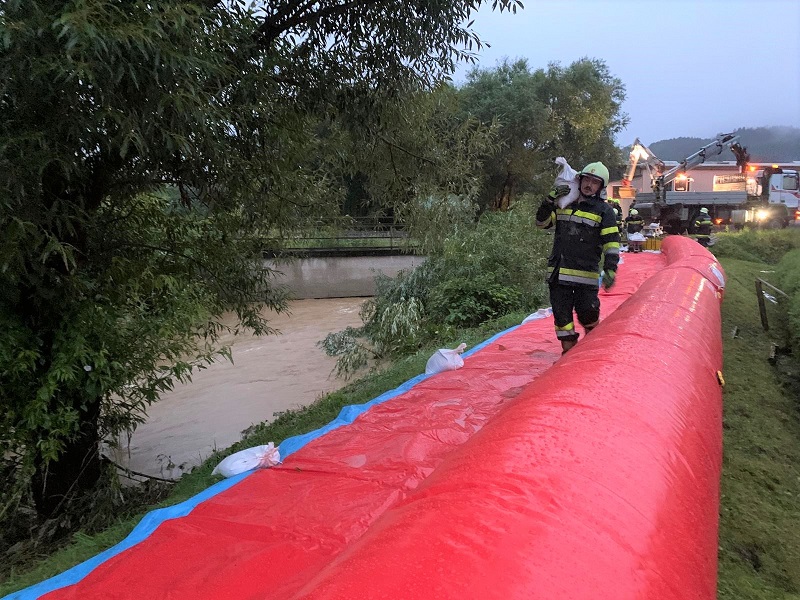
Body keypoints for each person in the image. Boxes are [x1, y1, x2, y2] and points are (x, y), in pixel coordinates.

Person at [536, 162, 620, 355]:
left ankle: (591, 354)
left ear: (601, 187)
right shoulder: (565, 204)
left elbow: (611, 243)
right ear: (580, 180)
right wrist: (549, 200)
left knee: (588, 313)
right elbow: (541, 223)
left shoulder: (604, 211)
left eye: (595, 182)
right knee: (562, 319)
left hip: (585, 275)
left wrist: (610, 269)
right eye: (586, 179)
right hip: (558, 274)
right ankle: (568, 357)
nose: (589, 185)